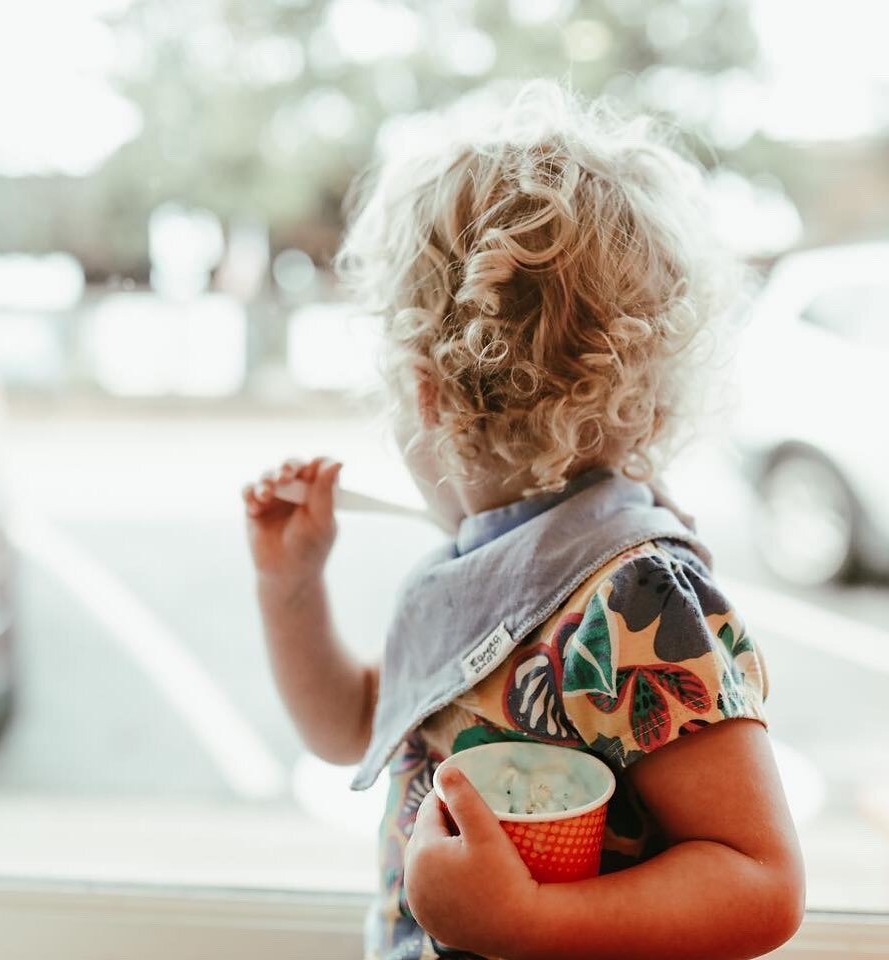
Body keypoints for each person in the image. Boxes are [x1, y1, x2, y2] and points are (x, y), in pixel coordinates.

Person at [242, 78, 805, 960]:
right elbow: (353, 724)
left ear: (424, 395)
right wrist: (291, 589)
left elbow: (761, 881)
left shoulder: (632, 597)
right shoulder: (473, 572)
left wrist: (531, 926)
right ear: (650, 395)